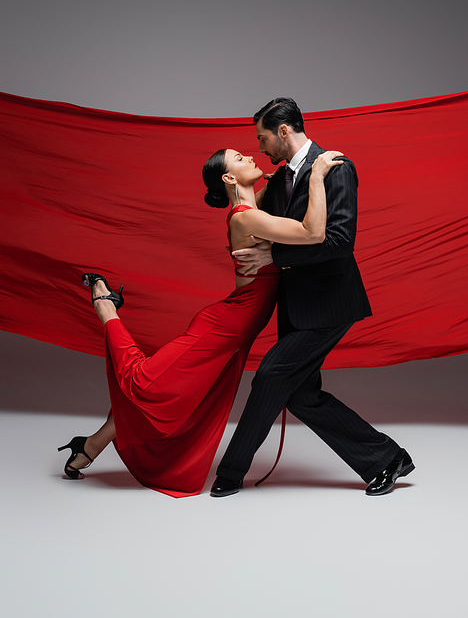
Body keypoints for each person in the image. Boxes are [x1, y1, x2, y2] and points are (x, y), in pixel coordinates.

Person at [57, 146, 343, 498]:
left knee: (179, 395)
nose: (251, 158)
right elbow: (313, 231)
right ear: (228, 178)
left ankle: (90, 445)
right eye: (240, 159)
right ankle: (106, 307)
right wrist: (316, 173)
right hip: (225, 325)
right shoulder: (243, 217)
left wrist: (280, 176)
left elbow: (269, 186)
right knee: (146, 384)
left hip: (236, 330)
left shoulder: (252, 206)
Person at [211, 98, 415, 498]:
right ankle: (386, 459)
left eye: (263, 137)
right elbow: (265, 227)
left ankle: (230, 472)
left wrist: (273, 254)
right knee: (301, 395)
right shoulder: (277, 178)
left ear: (283, 131)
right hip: (294, 303)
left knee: (270, 375)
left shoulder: (336, 167)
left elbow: (339, 241)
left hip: (330, 299)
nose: (261, 147)